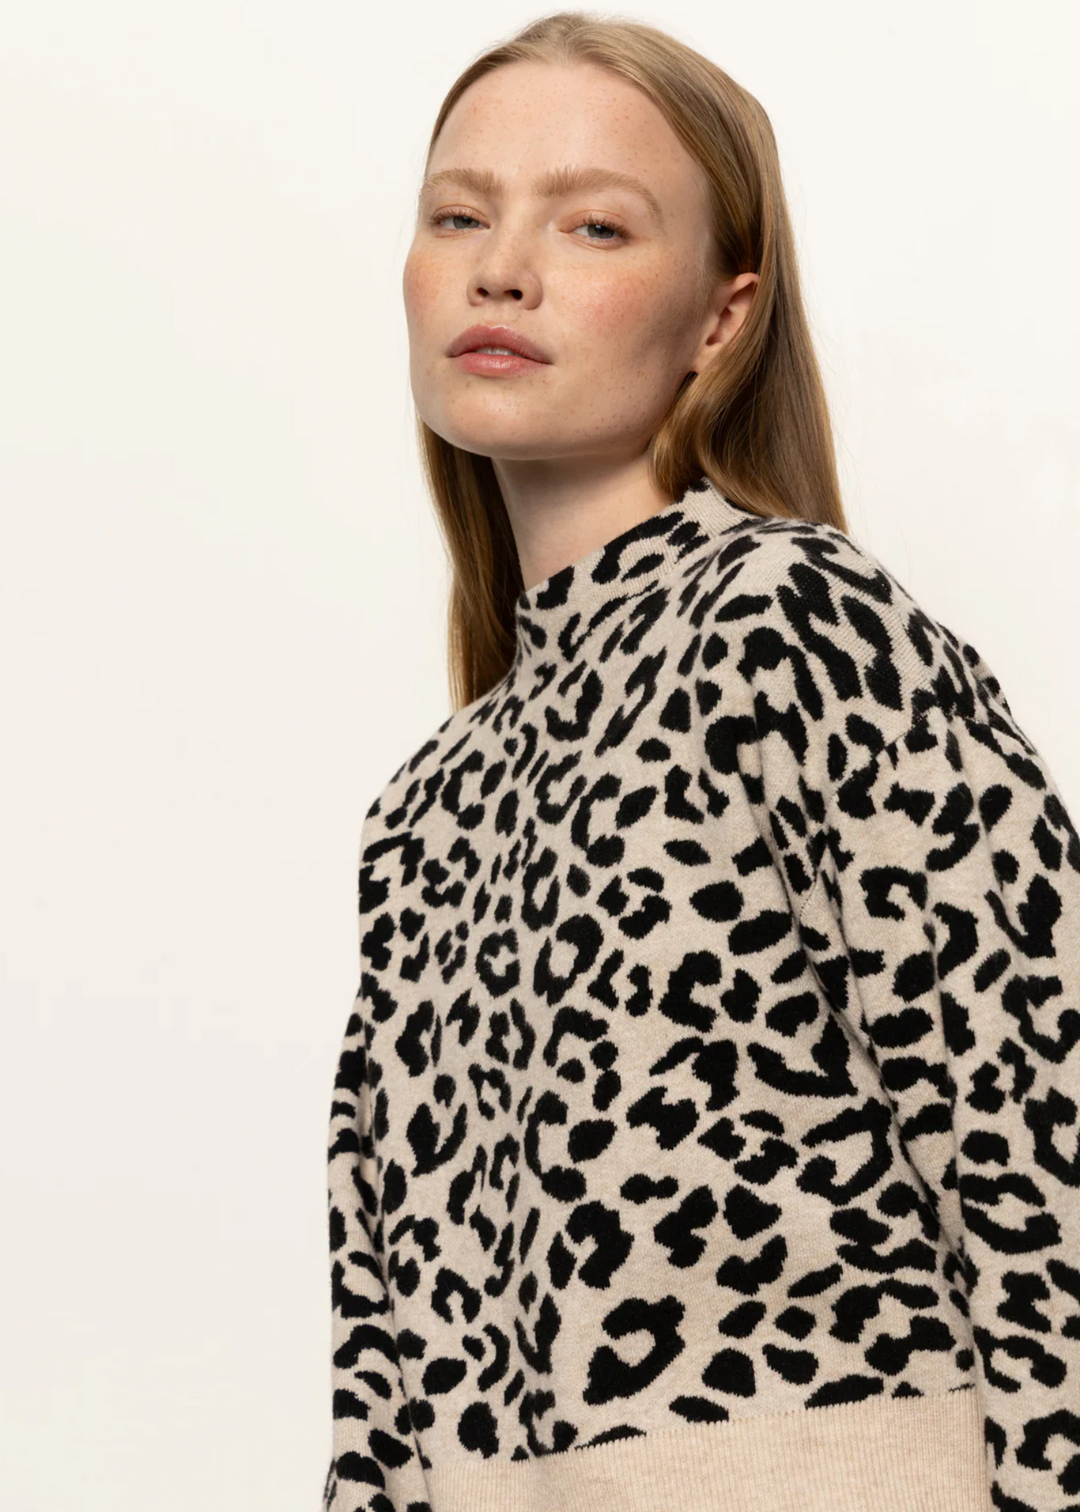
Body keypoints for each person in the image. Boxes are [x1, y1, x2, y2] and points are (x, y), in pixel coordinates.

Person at [323, 13, 1080, 1512]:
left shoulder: (794, 624)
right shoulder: (423, 811)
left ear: (721, 319)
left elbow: (1038, 1139)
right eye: (459, 213)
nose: (503, 267)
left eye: (594, 223)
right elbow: (383, 1372)